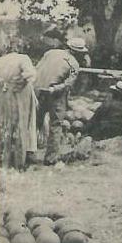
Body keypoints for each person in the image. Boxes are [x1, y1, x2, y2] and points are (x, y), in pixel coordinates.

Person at [34, 37, 86, 165]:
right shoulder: (74, 64)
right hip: (55, 94)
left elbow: (38, 68)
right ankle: (50, 158)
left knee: (34, 122)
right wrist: (54, 89)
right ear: (76, 52)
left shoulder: (50, 53)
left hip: (38, 90)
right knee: (56, 124)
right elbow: (68, 84)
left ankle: (27, 152)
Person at [0, 38, 38, 170]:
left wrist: (3, 87)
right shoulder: (23, 58)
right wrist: (19, 82)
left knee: (3, 124)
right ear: (19, 47)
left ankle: (2, 160)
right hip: (20, 95)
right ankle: (19, 161)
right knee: (22, 124)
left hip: (3, 94)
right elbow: (31, 74)